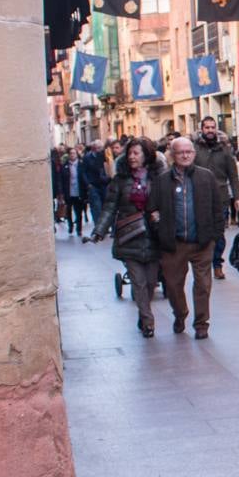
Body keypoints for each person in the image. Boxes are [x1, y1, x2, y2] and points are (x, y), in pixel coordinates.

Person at [147, 137, 223, 339]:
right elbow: (152, 209)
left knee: (203, 285)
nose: (185, 155)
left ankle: (201, 323)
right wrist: (159, 228)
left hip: (202, 242)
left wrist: (215, 236)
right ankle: (180, 314)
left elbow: (218, 208)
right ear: (172, 155)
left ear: (194, 153)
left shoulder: (206, 177)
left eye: (189, 151)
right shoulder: (162, 181)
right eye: (181, 152)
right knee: (173, 285)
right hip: (174, 243)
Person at [91, 137, 163, 337]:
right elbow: (110, 207)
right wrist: (100, 230)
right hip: (129, 235)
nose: (132, 157)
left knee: (150, 282)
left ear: (146, 155)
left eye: (136, 153)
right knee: (138, 281)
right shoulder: (120, 179)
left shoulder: (158, 177)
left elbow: (168, 203)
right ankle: (148, 322)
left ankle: (143, 312)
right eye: (129, 153)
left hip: (154, 236)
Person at [194, 116, 239, 280]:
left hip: (220, 197)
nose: (210, 130)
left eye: (212, 127)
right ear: (202, 130)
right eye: (207, 127)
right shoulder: (195, 149)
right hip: (198, 198)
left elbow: (233, 175)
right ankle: (204, 263)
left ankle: (217, 264)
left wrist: (237, 197)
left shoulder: (224, 150)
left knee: (219, 234)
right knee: (201, 232)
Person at [58, 147, 89, 239]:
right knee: (68, 210)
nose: (72, 155)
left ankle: (79, 229)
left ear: (77, 154)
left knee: (78, 211)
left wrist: (87, 187)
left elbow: (84, 177)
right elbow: (61, 180)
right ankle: (70, 225)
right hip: (68, 191)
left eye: (74, 153)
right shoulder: (65, 166)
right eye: (71, 153)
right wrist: (61, 192)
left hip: (78, 191)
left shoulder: (81, 165)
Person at [81, 141, 110, 232]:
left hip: (104, 184)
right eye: (98, 148)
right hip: (93, 185)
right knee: (96, 206)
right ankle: (98, 227)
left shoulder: (105, 157)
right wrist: (88, 184)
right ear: (93, 148)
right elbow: (84, 172)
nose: (100, 150)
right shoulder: (87, 158)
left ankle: (105, 226)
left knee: (105, 206)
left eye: (101, 148)